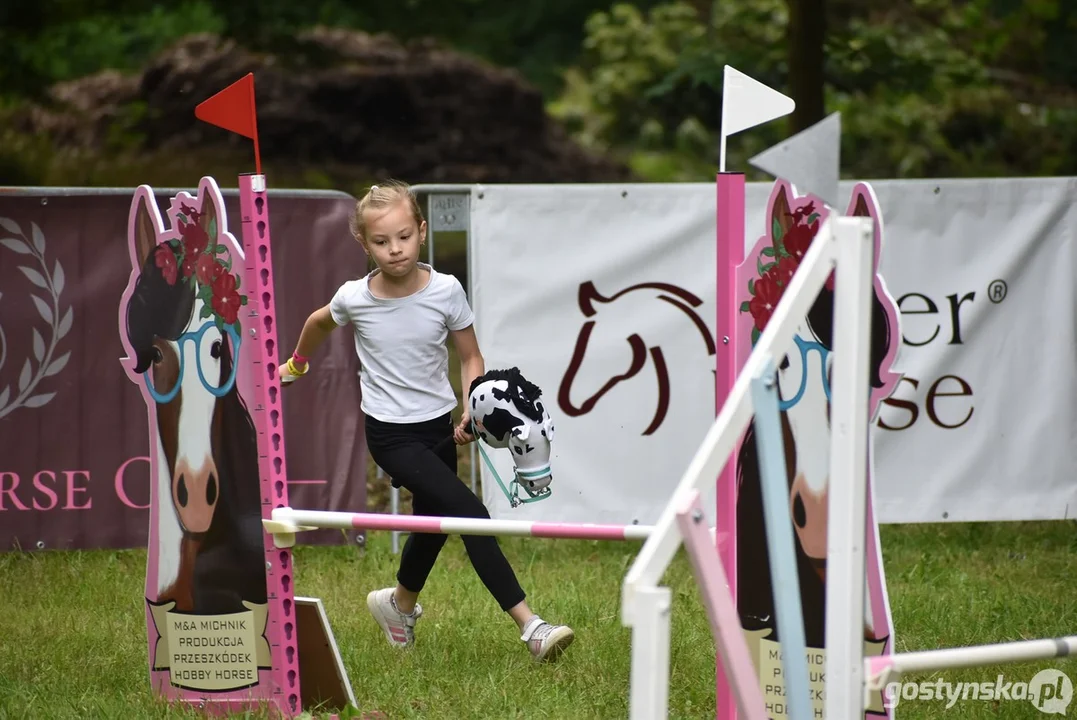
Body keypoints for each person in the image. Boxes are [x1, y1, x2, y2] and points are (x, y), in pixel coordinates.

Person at [277, 180, 575, 663]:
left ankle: (399, 606)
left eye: (403, 237)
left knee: (430, 523)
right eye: (380, 241)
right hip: (390, 435)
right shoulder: (355, 297)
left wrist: (472, 408)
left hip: (437, 426)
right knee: (470, 516)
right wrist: (296, 364)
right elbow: (317, 323)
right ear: (364, 244)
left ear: (421, 231)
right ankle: (531, 626)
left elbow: (471, 355)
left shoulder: (446, 291)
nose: (394, 250)